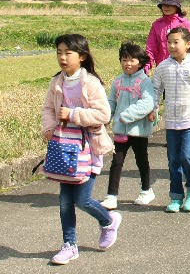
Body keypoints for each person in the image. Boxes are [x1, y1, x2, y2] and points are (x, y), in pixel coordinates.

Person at [42, 34, 120, 265]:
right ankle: (69, 245)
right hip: (64, 149)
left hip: (89, 150)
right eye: (59, 52)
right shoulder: (57, 82)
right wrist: (49, 126)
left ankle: (108, 221)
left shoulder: (91, 83)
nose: (62, 57)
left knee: (83, 200)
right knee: (65, 202)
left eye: (68, 53)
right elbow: (48, 107)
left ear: (82, 56)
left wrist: (73, 114)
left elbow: (103, 115)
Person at [153, 28, 190, 213]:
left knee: (188, 156)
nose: (171, 46)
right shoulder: (163, 67)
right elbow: (155, 90)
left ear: (188, 44)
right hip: (172, 122)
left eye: (176, 42)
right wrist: (153, 108)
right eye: (169, 42)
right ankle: (176, 196)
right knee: (173, 161)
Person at [101, 43, 156, 210]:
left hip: (139, 131)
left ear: (140, 62)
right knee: (116, 162)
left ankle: (146, 190)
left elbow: (148, 103)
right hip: (120, 130)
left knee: (141, 160)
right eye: (124, 59)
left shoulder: (144, 81)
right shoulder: (117, 81)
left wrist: (126, 115)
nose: (128, 63)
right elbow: (111, 101)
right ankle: (111, 196)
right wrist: (105, 116)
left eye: (132, 60)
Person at [145, 0, 190, 73]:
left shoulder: (186, 24)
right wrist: (147, 66)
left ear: (177, 7)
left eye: (169, 5)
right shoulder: (157, 25)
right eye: (164, 5)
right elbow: (151, 48)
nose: (166, 7)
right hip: (163, 68)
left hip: (183, 68)